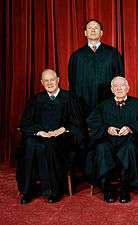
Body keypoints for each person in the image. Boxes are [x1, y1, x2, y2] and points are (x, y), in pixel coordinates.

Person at [17, 69, 84, 204]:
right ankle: (27, 190)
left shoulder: (70, 98)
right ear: (42, 82)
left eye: (52, 79)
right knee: (29, 143)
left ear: (58, 79)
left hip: (63, 138)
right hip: (42, 136)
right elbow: (26, 122)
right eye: (46, 81)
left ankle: (54, 190)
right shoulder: (37, 99)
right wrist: (40, 132)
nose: (49, 83)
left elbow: (78, 123)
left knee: (51, 145)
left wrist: (62, 130)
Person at [86, 76, 138, 203]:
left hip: (130, 141)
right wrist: (106, 128)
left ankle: (125, 188)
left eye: (122, 85)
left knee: (129, 148)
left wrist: (130, 128)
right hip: (108, 141)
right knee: (101, 148)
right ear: (112, 89)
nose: (119, 88)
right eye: (115, 86)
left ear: (127, 88)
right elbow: (91, 121)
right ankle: (107, 187)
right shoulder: (103, 105)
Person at [68, 19, 124, 113]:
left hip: (107, 99)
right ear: (85, 33)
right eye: (89, 28)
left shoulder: (112, 53)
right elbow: (72, 81)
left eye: (96, 28)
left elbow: (120, 76)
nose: (93, 30)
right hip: (83, 101)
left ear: (101, 33)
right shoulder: (77, 56)